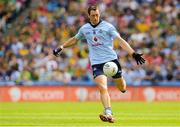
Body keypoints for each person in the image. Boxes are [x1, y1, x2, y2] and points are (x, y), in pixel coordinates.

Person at [53, 5, 145, 123]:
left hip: (111, 61)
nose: (95, 17)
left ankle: (122, 85)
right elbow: (75, 39)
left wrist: (133, 53)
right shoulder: (84, 29)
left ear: (99, 14)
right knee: (102, 87)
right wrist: (61, 47)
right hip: (97, 63)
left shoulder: (108, 27)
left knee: (122, 87)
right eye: (93, 15)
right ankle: (108, 113)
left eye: (97, 15)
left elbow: (120, 40)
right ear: (88, 16)